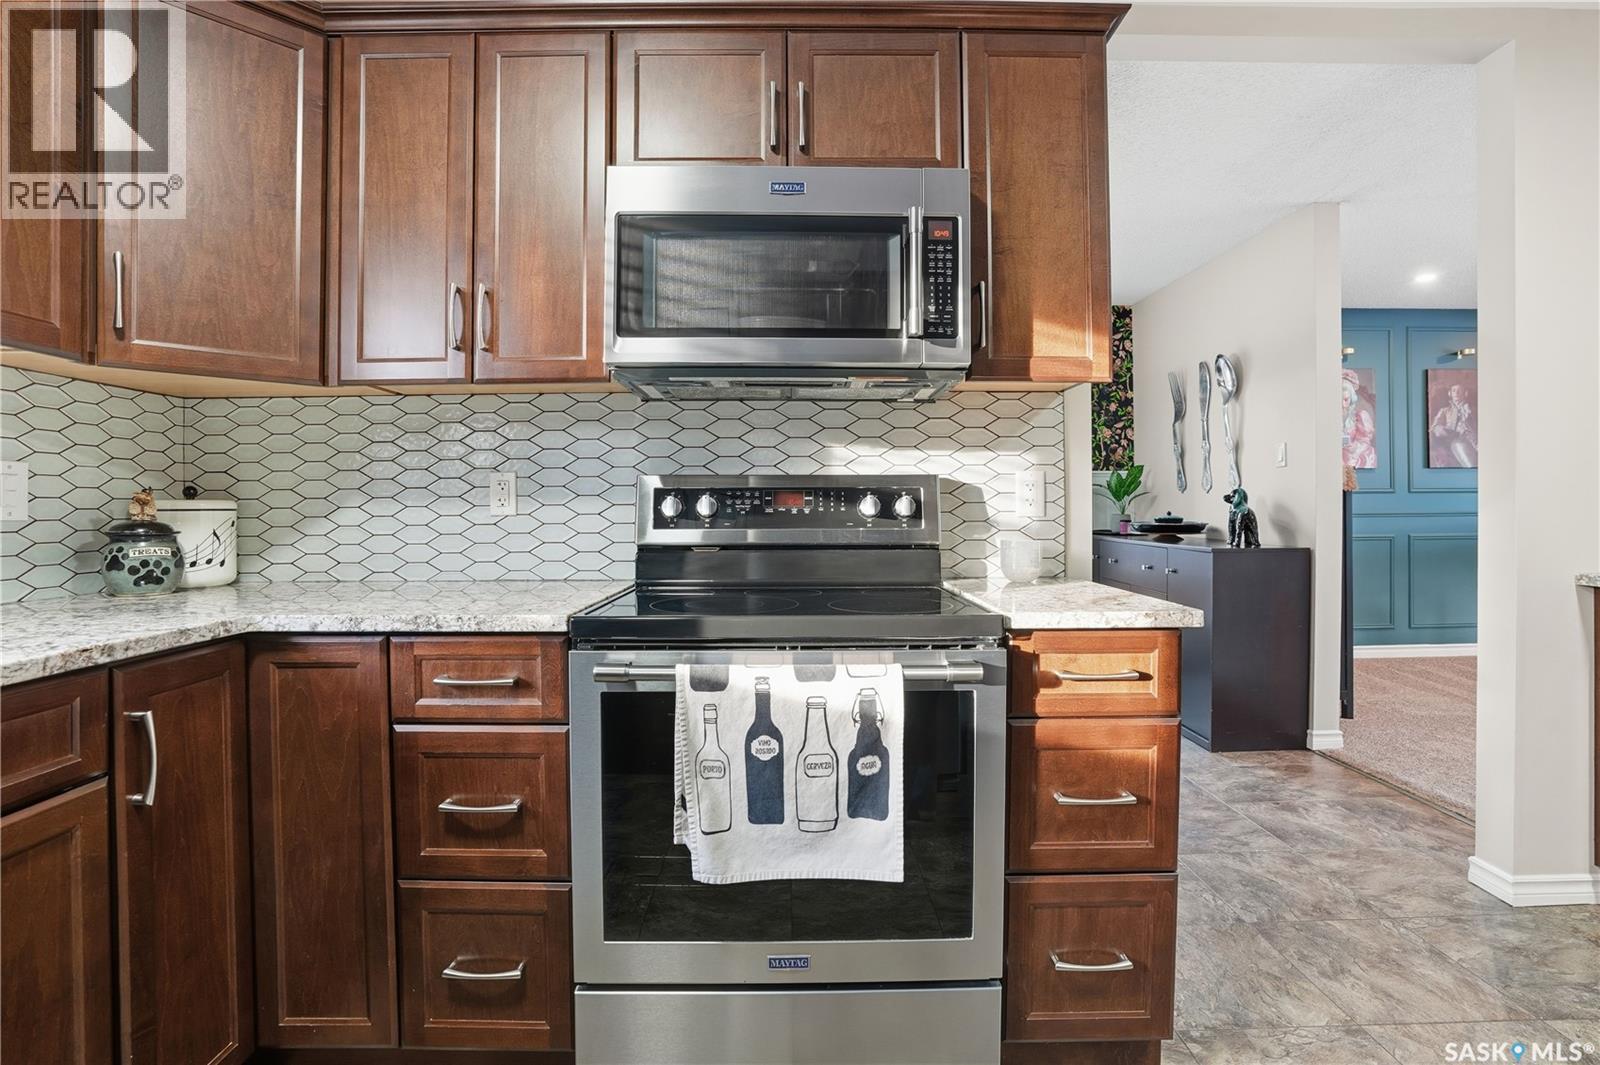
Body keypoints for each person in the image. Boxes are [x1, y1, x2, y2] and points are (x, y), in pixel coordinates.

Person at [1429, 382, 1477, 467]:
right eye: (1454, 391)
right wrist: (1441, 429)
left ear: (1465, 393)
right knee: (1459, 444)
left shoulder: (1473, 409)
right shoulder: (1444, 411)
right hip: (1454, 439)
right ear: (1449, 393)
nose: (1456, 393)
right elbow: (1434, 427)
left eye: (1459, 390)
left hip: (1473, 439)